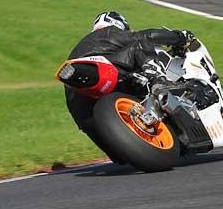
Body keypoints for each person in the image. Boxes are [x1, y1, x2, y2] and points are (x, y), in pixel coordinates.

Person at [64, 10, 193, 151]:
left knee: (119, 156)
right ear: (117, 23)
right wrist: (180, 37)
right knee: (139, 44)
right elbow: (147, 36)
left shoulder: (78, 49)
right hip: (105, 69)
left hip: (78, 105)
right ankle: (159, 82)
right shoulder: (108, 31)